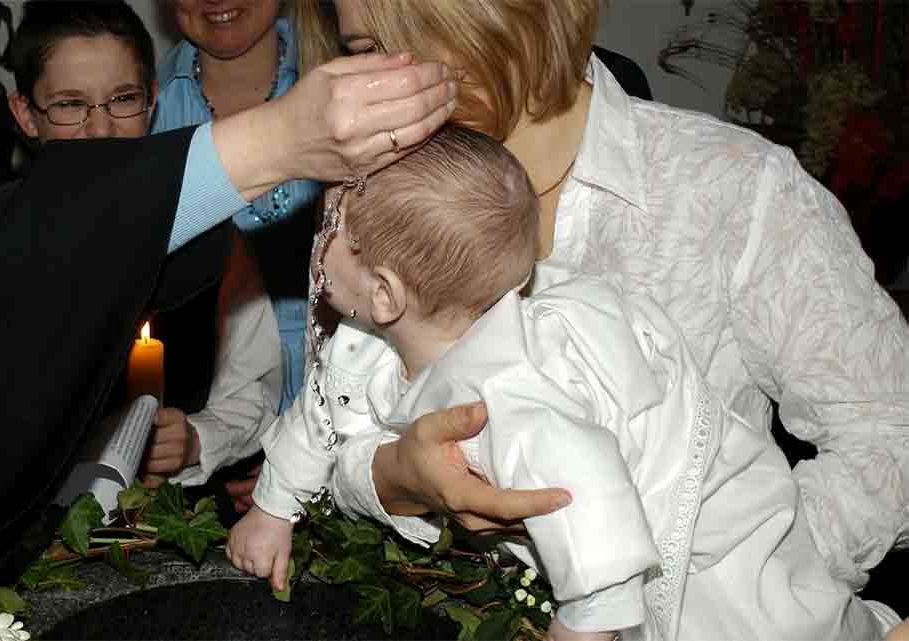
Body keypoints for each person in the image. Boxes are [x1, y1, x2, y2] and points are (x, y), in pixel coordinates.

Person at [291, 0, 909, 600]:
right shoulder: (364, 196)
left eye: (413, 33)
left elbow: (889, 437)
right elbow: (327, 419)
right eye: (365, 51)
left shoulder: (732, 190)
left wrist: (731, 590)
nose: (384, 86)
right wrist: (393, 480)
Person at [225, 125, 900, 640]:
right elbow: (322, 412)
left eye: (336, 227)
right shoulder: (367, 338)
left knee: (765, 623)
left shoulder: (509, 397)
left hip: (702, 530)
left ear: (385, 292)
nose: (319, 236)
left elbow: (593, 511)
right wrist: (273, 507)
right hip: (625, 515)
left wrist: (580, 627)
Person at [0, 0, 461, 595]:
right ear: (26, 112)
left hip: (172, 536)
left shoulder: (211, 241)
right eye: (70, 106)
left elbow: (254, 383)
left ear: (149, 101)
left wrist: (201, 438)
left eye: (122, 102)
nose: (99, 128)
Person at [141, 0, 322, 513]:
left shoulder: (337, 78)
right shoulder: (143, 106)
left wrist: (304, 462)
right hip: (216, 414)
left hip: (349, 391)